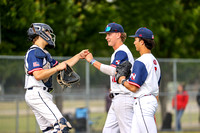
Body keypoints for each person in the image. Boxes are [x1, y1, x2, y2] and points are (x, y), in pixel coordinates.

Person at [24, 23, 89, 133]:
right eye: (48, 32)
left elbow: (63, 65)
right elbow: (38, 75)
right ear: (40, 34)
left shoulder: (43, 53)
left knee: (50, 130)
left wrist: (79, 56)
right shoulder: (34, 52)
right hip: (37, 93)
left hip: (40, 94)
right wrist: (56, 68)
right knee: (61, 125)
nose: (50, 35)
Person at [85, 22, 135, 133]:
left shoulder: (122, 51)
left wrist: (92, 61)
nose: (106, 37)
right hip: (117, 98)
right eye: (106, 34)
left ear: (118, 35)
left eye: (109, 34)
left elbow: (113, 71)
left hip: (124, 97)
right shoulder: (118, 52)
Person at [116, 27, 161, 133]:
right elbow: (157, 87)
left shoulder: (141, 61)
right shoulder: (155, 61)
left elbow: (133, 87)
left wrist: (122, 80)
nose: (134, 42)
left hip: (143, 102)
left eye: (135, 40)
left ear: (142, 42)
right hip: (150, 101)